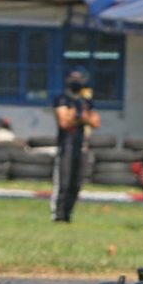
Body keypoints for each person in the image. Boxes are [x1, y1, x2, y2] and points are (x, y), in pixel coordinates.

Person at [51, 67, 100, 223]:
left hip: (82, 146)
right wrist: (79, 116)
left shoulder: (86, 101)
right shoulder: (62, 99)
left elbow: (95, 122)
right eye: (74, 78)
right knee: (63, 183)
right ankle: (58, 215)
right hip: (66, 145)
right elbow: (64, 122)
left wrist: (81, 115)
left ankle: (68, 214)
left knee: (76, 183)